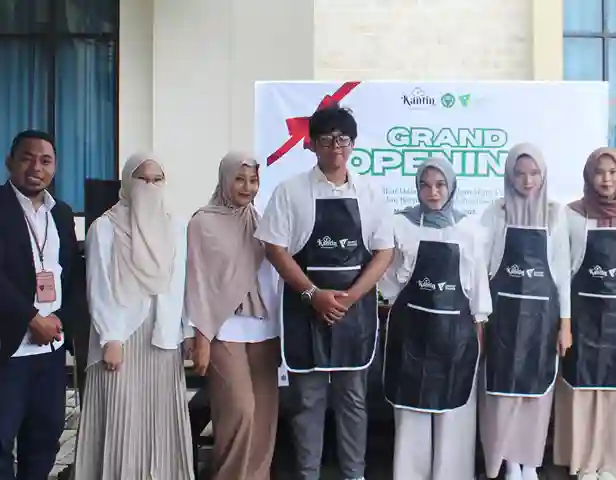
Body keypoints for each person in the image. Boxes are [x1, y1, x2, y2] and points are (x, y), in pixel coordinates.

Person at [255, 105, 393, 480]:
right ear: (312, 144)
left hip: (354, 312)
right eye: (327, 139)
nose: (336, 146)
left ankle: (354, 475)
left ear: (353, 144)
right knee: (307, 401)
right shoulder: (290, 191)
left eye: (343, 139)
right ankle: (307, 474)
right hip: (304, 310)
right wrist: (312, 294)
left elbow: (384, 252)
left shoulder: (371, 193)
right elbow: (274, 248)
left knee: (354, 401)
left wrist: (351, 297)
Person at [74, 153, 194, 479]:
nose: (149, 186)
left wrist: (186, 331)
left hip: (162, 337)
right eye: (142, 179)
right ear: (127, 181)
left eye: (157, 180)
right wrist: (110, 337)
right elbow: (98, 285)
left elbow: (183, 282)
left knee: (159, 421)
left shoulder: (177, 227)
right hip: (120, 338)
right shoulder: (105, 227)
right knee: (120, 416)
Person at [380, 157, 491, 480]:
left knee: (454, 411)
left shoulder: (470, 229)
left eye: (440, 184)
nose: (433, 192)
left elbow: (478, 284)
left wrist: (479, 326)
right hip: (410, 332)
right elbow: (388, 282)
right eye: (425, 185)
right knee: (411, 407)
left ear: (451, 186)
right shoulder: (400, 225)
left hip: (456, 334)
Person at [184, 152, 281, 480]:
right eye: (239, 179)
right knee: (239, 412)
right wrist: (199, 335)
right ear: (225, 179)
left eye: (253, 180)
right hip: (223, 329)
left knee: (264, 417)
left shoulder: (260, 220)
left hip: (265, 329)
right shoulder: (202, 223)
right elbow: (196, 280)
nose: (247, 187)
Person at [479, 143, 571, 480]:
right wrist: (480, 317)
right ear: (509, 175)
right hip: (502, 317)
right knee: (502, 394)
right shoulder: (496, 212)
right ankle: (508, 463)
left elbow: (562, 274)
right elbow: (481, 266)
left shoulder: (556, 214)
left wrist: (565, 324)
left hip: (543, 319)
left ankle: (529, 462)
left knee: (536, 393)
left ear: (543, 175)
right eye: (519, 174)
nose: (527, 181)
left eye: (534, 173)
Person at [0, 130, 81, 480]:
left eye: (45, 160)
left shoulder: (60, 213)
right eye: (27, 158)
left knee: (45, 439)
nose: (36, 167)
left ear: (55, 167)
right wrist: (32, 318)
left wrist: (61, 319)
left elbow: (72, 274)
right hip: (8, 348)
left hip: (50, 350)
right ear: (10, 162)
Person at [554, 147, 616, 480]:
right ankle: (584, 463)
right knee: (582, 388)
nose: (607, 179)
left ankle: (609, 463)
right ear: (589, 176)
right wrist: (565, 323)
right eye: (600, 172)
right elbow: (563, 271)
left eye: (613, 172)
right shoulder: (571, 215)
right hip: (583, 316)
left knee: (613, 389)